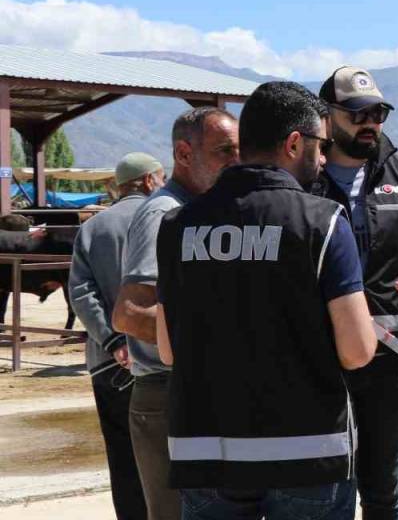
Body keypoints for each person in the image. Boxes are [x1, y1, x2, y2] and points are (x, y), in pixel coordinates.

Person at [155, 81, 376, 519]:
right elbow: (357, 350)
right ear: (295, 143)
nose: (325, 156)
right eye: (321, 144)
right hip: (307, 453)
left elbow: (167, 350)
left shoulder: (177, 225)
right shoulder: (323, 221)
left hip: (206, 451)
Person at [309, 66, 398, 520]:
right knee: (321, 491)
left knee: (383, 493)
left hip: (391, 358)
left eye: (379, 112)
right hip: (316, 359)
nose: (370, 121)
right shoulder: (300, 175)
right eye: (357, 113)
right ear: (325, 116)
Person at [114, 107, 239, 520]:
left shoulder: (199, 208)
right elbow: (129, 313)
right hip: (165, 394)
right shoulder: (164, 213)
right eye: (225, 151)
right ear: (184, 154)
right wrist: (215, 342)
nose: (236, 161)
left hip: (190, 388)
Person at [69, 152, 165, 520]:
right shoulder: (166, 217)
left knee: (123, 458)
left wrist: (113, 342)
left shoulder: (93, 228)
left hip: (108, 366)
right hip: (161, 362)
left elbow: (81, 293)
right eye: (158, 177)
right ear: (146, 181)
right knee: (167, 457)